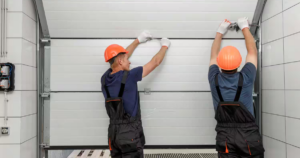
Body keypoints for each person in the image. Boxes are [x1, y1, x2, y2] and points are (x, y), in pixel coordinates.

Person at [101, 31, 171, 158]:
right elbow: (155, 62)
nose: (130, 62)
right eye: (127, 59)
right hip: (129, 133)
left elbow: (118, 59)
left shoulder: (105, 79)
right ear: (121, 61)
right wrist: (164, 46)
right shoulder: (130, 76)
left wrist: (137, 40)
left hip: (113, 134)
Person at [208, 18, 265, 158]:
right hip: (248, 136)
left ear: (220, 64)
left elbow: (213, 55)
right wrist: (244, 27)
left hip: (224, 136)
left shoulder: (213, 78)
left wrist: (220, 31)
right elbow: (252, 52)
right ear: (239, 63)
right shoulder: (246, 77)